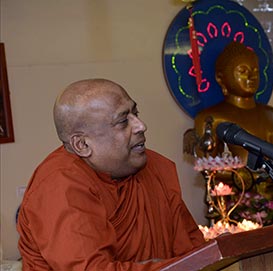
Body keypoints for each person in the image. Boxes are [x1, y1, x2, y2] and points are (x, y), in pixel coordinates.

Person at [17, 79, 205, 271]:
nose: (141, 126)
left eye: (136, 113)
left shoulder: (153, 169)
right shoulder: (59, 186)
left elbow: (193, 250)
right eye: (123, 121)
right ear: (82, 145)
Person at [192, 42, 273, 202]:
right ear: (221, 78)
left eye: (255, 71)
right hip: (238, 198)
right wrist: (245, 177)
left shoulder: (271, 114)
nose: (251, 77)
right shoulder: (211, 118)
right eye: (242, 71)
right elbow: (208, 169)